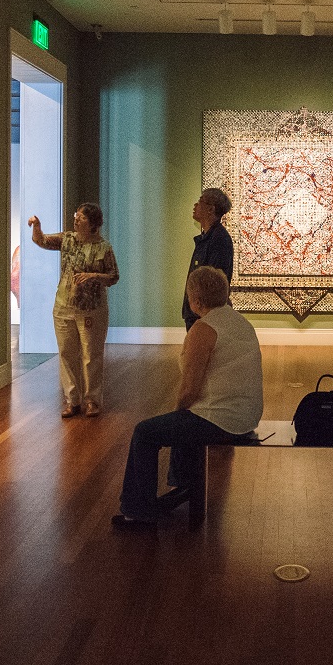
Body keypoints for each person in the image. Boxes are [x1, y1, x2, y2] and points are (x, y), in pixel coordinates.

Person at [113, 266, 263, 528]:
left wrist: (177, 410)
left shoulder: (204, 329)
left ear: (196, 300)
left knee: (146, 432)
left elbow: (189, 391)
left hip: (222, 420)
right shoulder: (240, 322)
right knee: (185, 419)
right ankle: (185, 488)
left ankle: (137, 512)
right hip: (247, 416)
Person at [27, 204, 119, 418]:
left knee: (90, 355)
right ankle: (72, 400)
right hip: (63, 306)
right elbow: (42, 241)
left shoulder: (103, 248)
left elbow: (114, 276)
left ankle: (92, 401)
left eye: (81, 218)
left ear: (93, 224)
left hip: (91, 309)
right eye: (75, 216)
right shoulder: (67, 239)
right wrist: (37, 226)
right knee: (67, 353)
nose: (76, 220)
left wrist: (94, 276)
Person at [183, 187, 234, 330]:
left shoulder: (219, 239)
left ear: (211, 209)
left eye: (200, 201)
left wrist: (200, 313)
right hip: (198, 312)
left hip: (204, 315)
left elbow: (213, 282)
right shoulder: (208, 237)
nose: (195, 205)